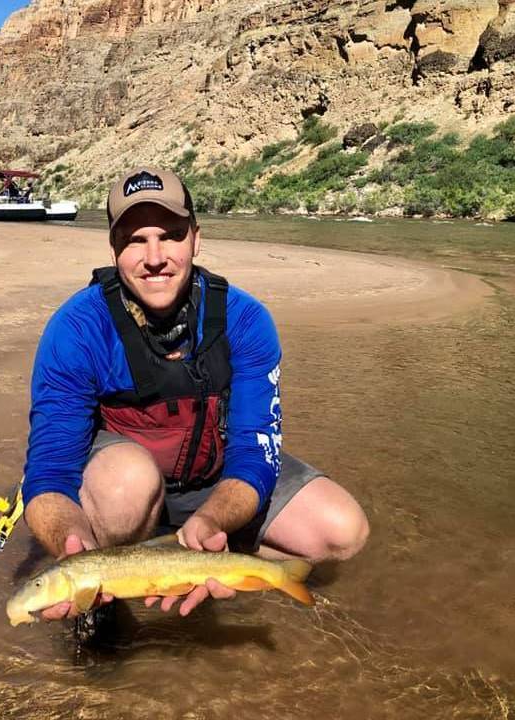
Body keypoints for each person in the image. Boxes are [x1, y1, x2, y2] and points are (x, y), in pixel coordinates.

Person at [23, 167, 369, 621]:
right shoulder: (77, 329)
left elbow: (255, 452)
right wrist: (73, 546)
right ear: (113, 249)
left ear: (195, 239)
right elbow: (48, 473)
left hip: (212, 482)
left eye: (169, 235)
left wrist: (214, 521)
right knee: (129, 480)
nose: (154, 256)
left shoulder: (245, 321)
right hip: (123, 492)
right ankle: (107, 609)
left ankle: (206, 558)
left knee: (342, 529)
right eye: (134, 240)